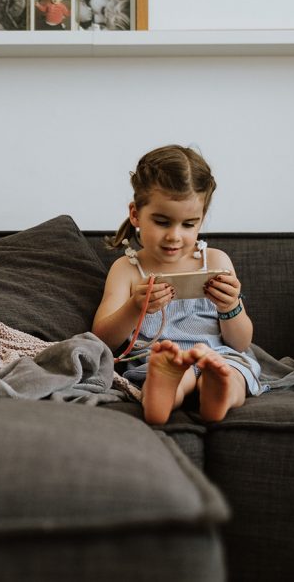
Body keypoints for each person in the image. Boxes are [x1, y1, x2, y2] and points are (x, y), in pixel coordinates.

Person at [91, 145, 260, 424]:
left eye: (188, 224)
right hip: (160, 359)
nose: (174, 236)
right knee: (165, 373)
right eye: (162, 221)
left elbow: (240, 343)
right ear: (135, 215)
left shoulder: (215, 261)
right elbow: (102, 339)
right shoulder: (127, 270)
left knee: (232, 372)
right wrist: (136, 306)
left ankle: (219, 392)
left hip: (217, 355)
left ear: (201, 220)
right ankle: (163, 394)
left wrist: (230, 306)